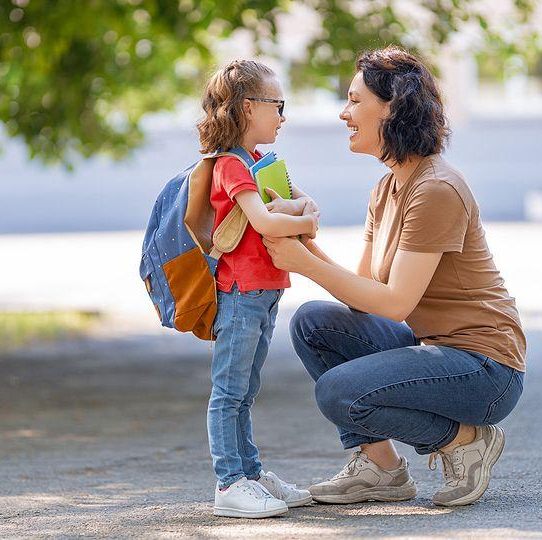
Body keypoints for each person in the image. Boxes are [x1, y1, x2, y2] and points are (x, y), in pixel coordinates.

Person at [263, 46, 526, 508]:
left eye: (354, 100)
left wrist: (302, 262)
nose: (343, 113)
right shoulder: (387, 187)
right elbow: (364, 297)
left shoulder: (435, 189)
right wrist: (306, 236)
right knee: (313, 323)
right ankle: (381, 469)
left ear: (394, 107)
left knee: (339, 391)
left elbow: (395, 304)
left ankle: (465, 439)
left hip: (486, 369)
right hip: (440, 352)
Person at [197, 59, 319, 518]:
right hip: (242, 293)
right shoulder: (231, 165)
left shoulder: (259, 163)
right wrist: (305, 218)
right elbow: (270, 219)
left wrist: (303, 211)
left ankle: (250, 473)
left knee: (245, 390)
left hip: (264, 293)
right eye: (278, 106)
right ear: (250, 108)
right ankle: (229, 483)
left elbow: (306, 202)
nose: (283, 117)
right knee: (229, 391)